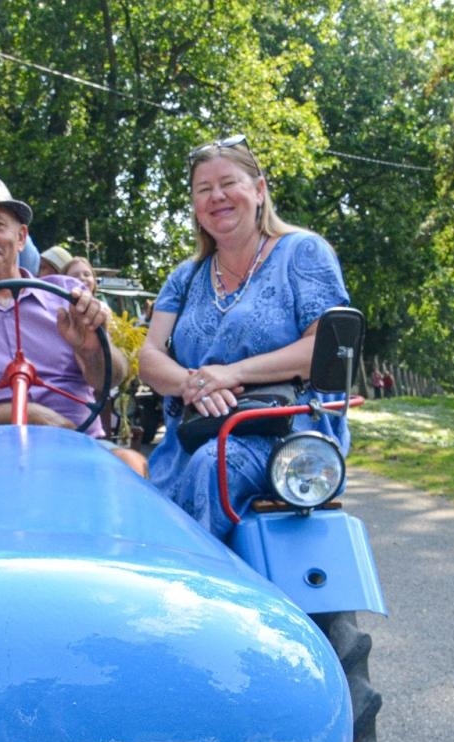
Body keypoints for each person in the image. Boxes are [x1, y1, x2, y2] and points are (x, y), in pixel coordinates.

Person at [136, 135, 351, 539]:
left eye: (228, 183)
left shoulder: (302, 253)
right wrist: (192, 384)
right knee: (131, 489)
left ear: (259, 190)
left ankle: (201, 594)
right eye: (204, 189)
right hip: (196, 429)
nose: (217, 196)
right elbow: (149, 357)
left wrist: (230, 374)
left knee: (212, 467)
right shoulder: (185, 277)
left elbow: (323, 346)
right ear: (196, 207)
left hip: (284, 435)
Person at [0, 170, 146, 477]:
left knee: (132, 464)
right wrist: (25, 416)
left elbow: (112, 379)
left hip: (75, 445)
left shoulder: (66, 295)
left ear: (21, 237)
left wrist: (91, 349)